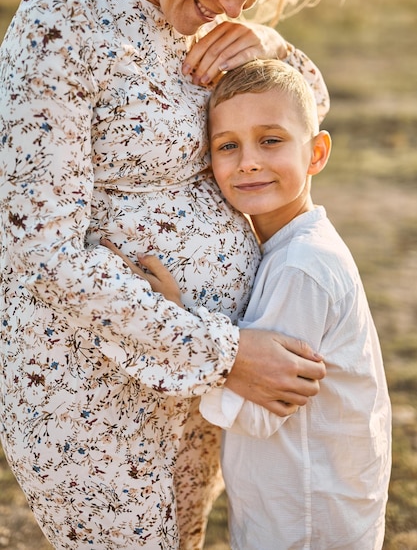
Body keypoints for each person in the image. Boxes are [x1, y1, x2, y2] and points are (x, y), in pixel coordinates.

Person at [0, 0, 402, 549]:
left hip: (204, 392)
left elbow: (304, 106)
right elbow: (43, 253)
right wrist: (225, 353)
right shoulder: (61, 28)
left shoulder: (197, 18)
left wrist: (263, 43)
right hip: (96, 389)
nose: (235, 3)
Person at [123, 59, 392, 549]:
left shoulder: (301, 267)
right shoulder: (287, 249)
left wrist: (178, 326)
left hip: (309, 516)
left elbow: (260, 410)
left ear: (316, 152)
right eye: (228, 146)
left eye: (271, 140)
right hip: (291, 501)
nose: (248, 161)